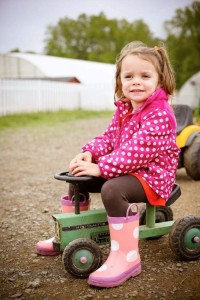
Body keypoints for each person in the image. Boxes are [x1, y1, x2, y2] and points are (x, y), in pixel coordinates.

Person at [36, 41, 180, 288]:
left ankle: (127, 257)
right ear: (119, 81)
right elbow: (109, 138)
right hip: (128, 169)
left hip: (153, 176)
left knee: (112, 189)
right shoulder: (124, 108)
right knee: (78, 175)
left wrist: (103, 168)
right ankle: (74, 235)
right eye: (129, 76)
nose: (136, 81)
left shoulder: (160, 114)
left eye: (145, 76)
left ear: (160, 80)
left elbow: (138, 152)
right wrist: (89, 154)